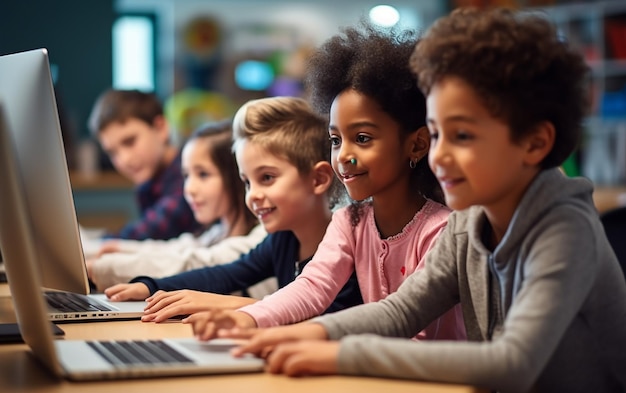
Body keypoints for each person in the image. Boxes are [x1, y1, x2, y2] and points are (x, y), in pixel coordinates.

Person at [193, 8, 626, 393]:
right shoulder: (468, 223)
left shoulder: (564, 230)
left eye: (462, 136)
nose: (439, 154)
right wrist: (303, 335)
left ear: (534, 142)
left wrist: (342, 355)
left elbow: (513, 363)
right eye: (436, 134)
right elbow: (399, 311)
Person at [186, 21, 465, 341]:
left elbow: (406, 321)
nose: (343, 154)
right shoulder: (350, 221)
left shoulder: (440, 230)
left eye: (362, 138)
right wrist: (247, 319)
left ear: (416, 144)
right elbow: (312, 286)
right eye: (335, 140)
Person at [103, 96, 363, 322]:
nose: (253, 195)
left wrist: (230, 305)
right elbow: (227, 274)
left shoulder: (344, 246)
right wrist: (151, 286)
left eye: (267, 178)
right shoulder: (283, 239)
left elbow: (330, 320)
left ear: (317, 179)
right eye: (247, 182)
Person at [86, 120, 275, 301]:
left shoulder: (261, 237)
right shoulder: (218, 232)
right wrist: (119, 248)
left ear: (237, 176)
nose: (189, 188)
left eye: (203, 174)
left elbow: (194, 264)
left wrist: (104, 268)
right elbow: (180, 248)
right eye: (186, 175)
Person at [87, 89, 201, 240]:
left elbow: (152, 229)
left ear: (161, 128)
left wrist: (100, 242)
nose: (124, 160)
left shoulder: (188, 174)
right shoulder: (148, 184)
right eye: (112, 152)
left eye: (130, 141)